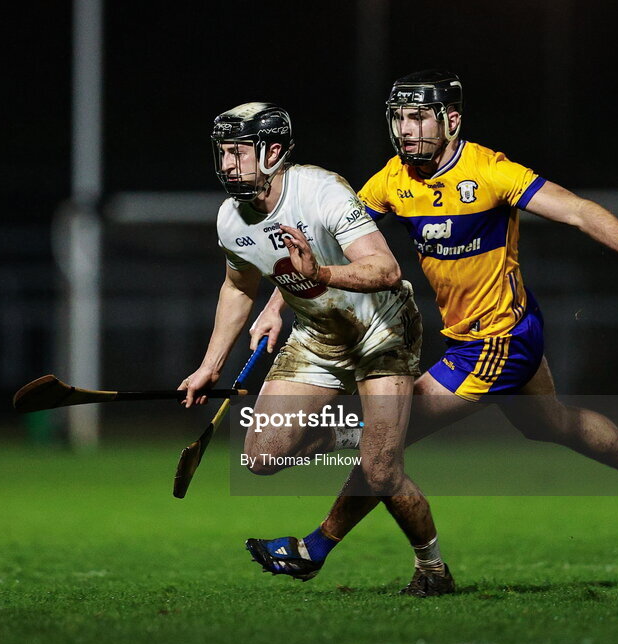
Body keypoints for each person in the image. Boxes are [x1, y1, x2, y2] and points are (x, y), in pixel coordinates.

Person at [248, 70, 618, 588]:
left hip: (500, 341)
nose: (406, 129)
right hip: (481, 336)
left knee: (383, 444)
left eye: (418, 117)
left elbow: (574, 210)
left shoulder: (490, 172)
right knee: (551, 424)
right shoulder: (393, 180)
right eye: (398, 117)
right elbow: (331, 244)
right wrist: (278, 304)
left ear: (451, 120)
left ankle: (316, 547)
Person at [179, 102, 452, 596]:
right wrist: (209, 365)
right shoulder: (230, 218)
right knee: (261, 457)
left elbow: (386, 270)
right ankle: (359, 436)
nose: (226, 165)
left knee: (382, 470)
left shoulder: (322, 192)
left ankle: (432, 567)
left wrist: (319, 275)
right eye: (222, 153)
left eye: (237, 153)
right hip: (318, 338)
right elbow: (238, 287)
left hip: (381, 332)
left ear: (273, 152)